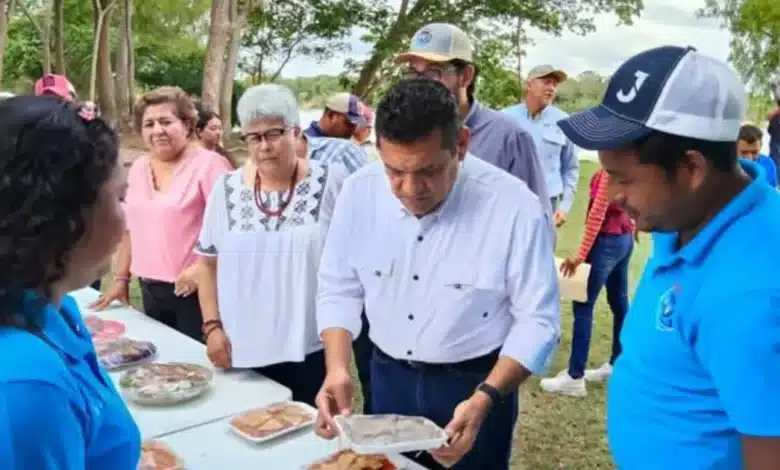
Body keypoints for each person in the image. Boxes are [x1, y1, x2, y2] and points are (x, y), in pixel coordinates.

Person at [314, 79, 561, 470]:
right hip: (387, 379)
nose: (410, 189)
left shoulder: (514, 206)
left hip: (476, 384)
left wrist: (484, 399)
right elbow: (338, 287)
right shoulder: (358, 193)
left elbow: (539, 321)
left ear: (461, 145)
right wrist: (338, 367)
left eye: (429, 171)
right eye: (394, 171)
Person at [558, 45, 780, 468]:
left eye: (622, 179)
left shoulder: (753, 293)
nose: (612, 194)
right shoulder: (685, 218)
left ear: (691, 169)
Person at [0, 96, 139, 469]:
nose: (127, 220)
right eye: (120, 198)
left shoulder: (57, 311)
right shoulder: (25, 384)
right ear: (64, 216)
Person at [195, 84, 349, 406]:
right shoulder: (226, 189)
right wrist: (212, 329)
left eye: (274, 133)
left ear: (295, 131)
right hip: (240, 347)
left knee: (310, 442)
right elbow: (207, 264)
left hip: (309, 347)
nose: (263, 146)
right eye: (254, 137)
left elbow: (349, 270)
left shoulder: (332, 180)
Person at [90, 86, 232, 342]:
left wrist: (201, 267)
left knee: (202, 369)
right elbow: (132, 228)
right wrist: (121, 278)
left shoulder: (210, 165)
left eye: (166, 121)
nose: (157, 130)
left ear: (187, 124)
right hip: (150, 290)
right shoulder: (138, 168)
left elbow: (233, 228)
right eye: (149, 124)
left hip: (198, 292)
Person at [394, 23, 550, 207]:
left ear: (466, 76)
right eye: (413, 73)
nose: (419, 84)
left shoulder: (508, 137)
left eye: (432, 72)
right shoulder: (403, 131)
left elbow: (537, 214)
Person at [540, 168, 635, 397]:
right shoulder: (628, 166)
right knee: (619, 303)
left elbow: (596, 216)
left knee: (583, 306)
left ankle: (575, 377)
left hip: (606, 242)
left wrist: (579, 257)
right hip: (624, 239)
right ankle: (616, 363)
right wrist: (632, 228)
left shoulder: (609, 172)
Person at [504, 65, 579, 227]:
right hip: (509, 201)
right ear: (529, 84)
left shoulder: (564, 122)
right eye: (546, 82)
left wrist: (564, 206)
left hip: (547, 203)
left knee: (542, 250)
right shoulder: (504, 118)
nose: (551, 88)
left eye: (554, 84)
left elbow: (570, 168)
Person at [303, 92, 368, 139]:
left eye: (356, 124)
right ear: (331, 115)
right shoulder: (307, 142)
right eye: (349, 123)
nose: (353, 129)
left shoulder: (344, 142)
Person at [195, 105, 238, 169]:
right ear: (199, 131)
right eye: (213, 128)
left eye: (220, 128)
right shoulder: (192, 156)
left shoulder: (225, 156)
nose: (218, 132)